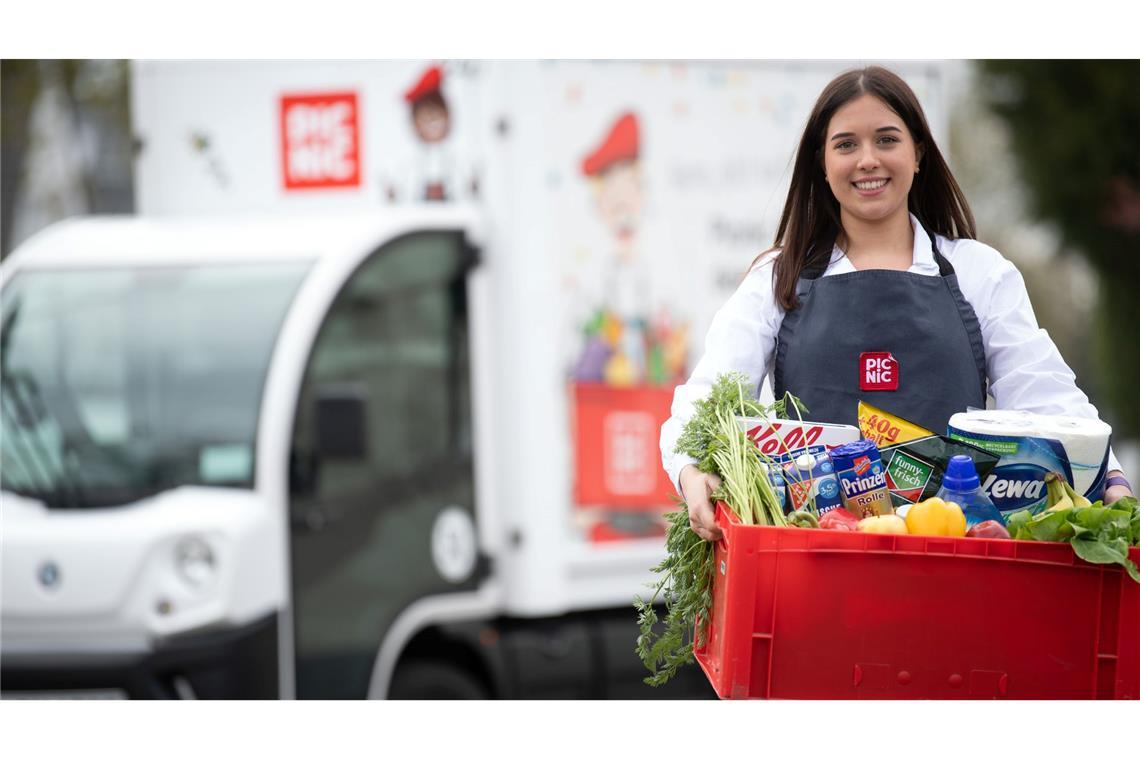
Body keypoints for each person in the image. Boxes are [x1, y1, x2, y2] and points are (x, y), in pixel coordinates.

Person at [659, 66, 1134, 542]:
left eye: (887, 139)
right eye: (846, 144)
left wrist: (1108, 476)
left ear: (918, 153)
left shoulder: (978, 272)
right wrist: (690, 470)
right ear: (821, 163)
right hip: (817, 553)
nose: (867, 160)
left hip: (956, 554)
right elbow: (707, 397)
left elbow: (1044, 395)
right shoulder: (777, 278)